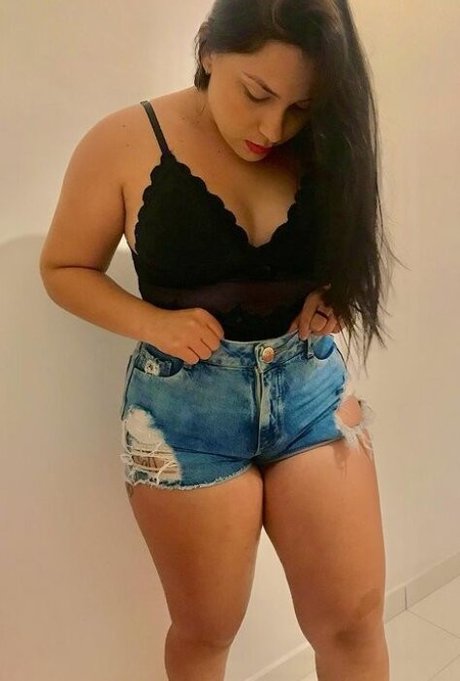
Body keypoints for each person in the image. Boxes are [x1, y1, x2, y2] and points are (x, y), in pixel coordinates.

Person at [39, 1, 399, 678]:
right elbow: (63, 268)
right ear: (209, 49)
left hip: (309, 389)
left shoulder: (324, 144)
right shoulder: (124, 140)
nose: (272, 128)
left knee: (353, 620)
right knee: (206, 631)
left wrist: (335, 295)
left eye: (299, 107)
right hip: (184, 413)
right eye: (257, 94)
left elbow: (343, 251)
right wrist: (152, 322)